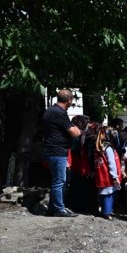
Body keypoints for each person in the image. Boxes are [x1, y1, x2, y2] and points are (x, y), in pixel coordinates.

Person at [42, 89, 82, 217]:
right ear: (69, 100)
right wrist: (79, 130)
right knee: (59, 181)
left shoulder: (51, 111)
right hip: (57, 151)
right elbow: (75, 133)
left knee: (58, 181)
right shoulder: (59, 113)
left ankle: (52, 208)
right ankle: (59, 209)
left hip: (53, 150)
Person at [94, 127, 122, 220]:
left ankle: (102, 211)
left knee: (102, 193)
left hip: (100, 173)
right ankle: (107, 213)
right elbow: (111, 163)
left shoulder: (99, 145)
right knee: (109, 194)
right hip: (107, 175)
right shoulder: (108, 147)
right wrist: (114, 176)